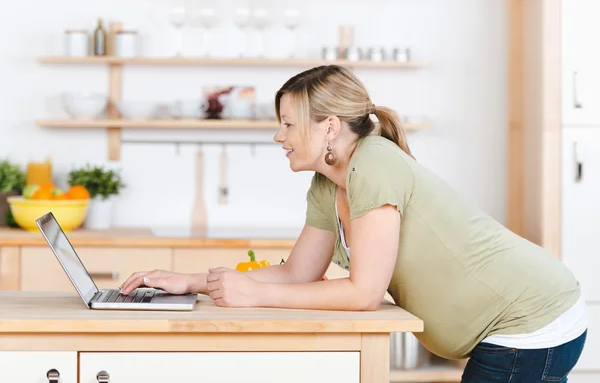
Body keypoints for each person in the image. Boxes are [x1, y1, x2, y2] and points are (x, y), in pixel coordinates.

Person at [120, 65, 588, 382]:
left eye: (287, 124)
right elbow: (296, 273)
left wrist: (256, 292)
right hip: (513, 325)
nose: (278, 135)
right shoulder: (328, 183)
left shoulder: (375, 164)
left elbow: (363, 294)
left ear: (328, 127)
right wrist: (189, 282)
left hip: (528, 321)